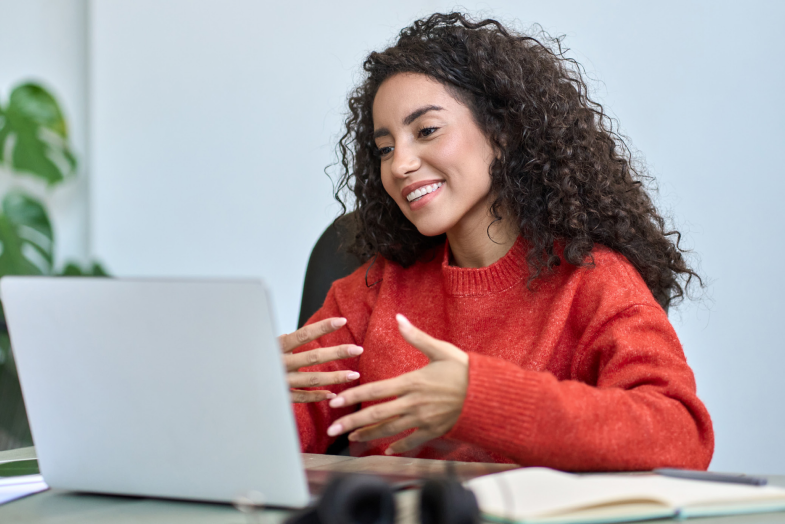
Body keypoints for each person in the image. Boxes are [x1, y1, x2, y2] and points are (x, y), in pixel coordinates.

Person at [279, 12, 714, 471]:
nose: (400, 164)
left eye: (426, 131)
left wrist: (482, 399)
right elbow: (281, 429)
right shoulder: (372, 290)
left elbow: (680, 436)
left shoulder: (593, 282)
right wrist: (251, 393)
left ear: (502, 133)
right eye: (385, 148)